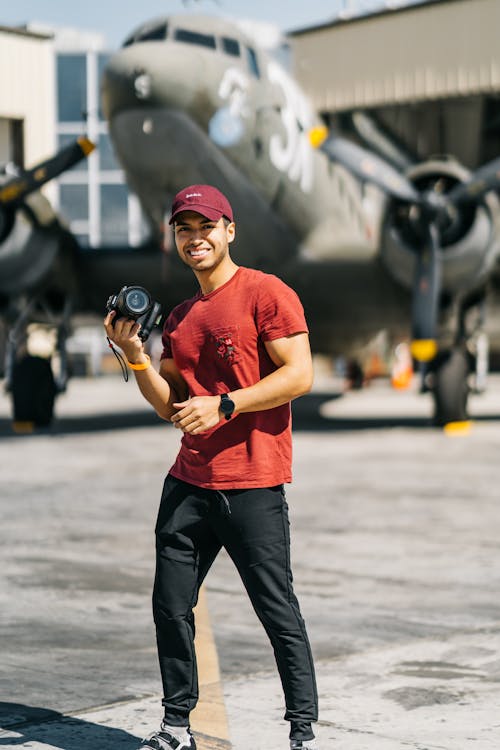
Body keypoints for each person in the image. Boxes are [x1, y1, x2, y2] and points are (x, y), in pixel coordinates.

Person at [104, 185, 319, 750]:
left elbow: (299, 375)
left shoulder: (265, 293)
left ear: (229, 231)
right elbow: (169, 403)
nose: (194, 238)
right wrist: (135, 356)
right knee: (170, 607)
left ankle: (303, 732)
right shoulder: (180, 317)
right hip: (189, 483)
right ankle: (177, 727)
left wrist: (227, 403)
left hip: (254, 483)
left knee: (277, 611)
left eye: (205, 226)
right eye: (183, 229)